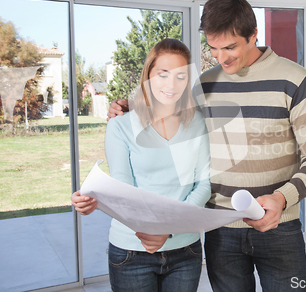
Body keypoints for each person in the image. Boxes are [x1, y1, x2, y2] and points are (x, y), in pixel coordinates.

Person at [108, 0, 306, 291]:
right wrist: (130, 108)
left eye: (230, 47)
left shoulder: (296, 80)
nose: (221, 57)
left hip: (279, 226)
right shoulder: (206, 83)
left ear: (254, 35)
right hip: (220, 229)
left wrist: (281, 199)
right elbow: (174, 114)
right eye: (213, 48)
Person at [72, 38, 211, 292]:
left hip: (186, 250)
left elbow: (203, 184)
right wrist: (94, 200)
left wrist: (167, 229)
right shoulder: (121, 125)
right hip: (131, 251)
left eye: (181, 76)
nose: (171, 85)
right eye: (163, 74)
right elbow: (124, 184)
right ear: (148, 75)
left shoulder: (197, 123)